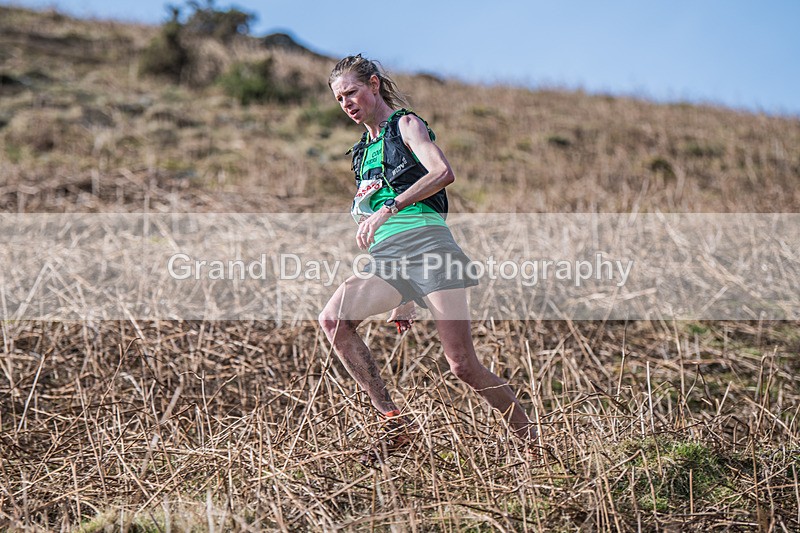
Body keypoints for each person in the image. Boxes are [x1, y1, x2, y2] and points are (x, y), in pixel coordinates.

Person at [318, 55, 536, 464]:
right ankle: (395, 424)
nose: (346, 102)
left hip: (431, 250)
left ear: (375, 85)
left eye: (352, 92)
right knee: (333, 321)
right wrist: (404, 294)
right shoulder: (361, 153)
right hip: (389, 260)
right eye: (339, 98)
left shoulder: (407, 125)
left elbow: (441, 172)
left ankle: (533, 443)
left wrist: (389, 208)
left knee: (463, 365)